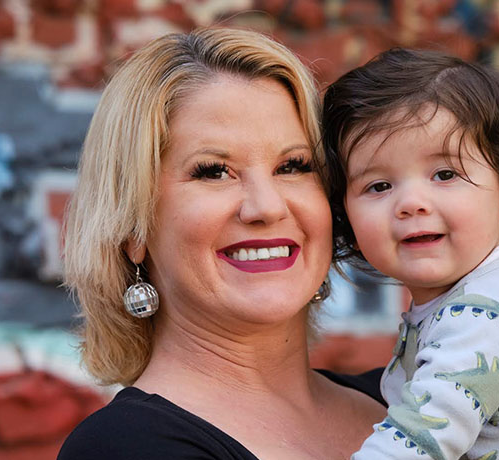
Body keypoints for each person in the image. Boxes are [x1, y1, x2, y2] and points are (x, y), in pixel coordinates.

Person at [57, 28, 386, 460]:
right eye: (213, 171)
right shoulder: (124, 447)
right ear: (133, 228)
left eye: (293, 165)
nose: (266, 207)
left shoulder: (418, 402)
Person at [322, 48, 499, 460]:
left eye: (445, 175)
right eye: (379, 186)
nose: (411, 203)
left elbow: (419, 441)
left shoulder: (486, 314)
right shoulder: (462, 300)